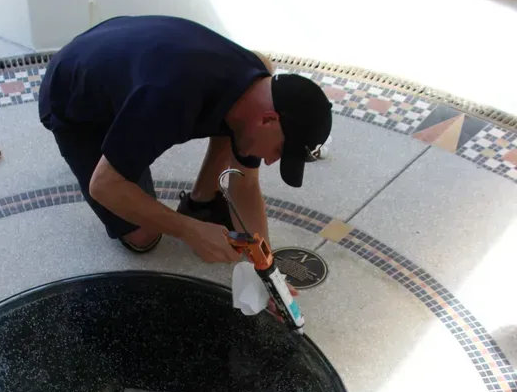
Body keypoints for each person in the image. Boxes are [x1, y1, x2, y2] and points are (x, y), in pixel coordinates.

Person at [39, 15, 332, 263]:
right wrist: (188, 230)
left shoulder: (256, 85)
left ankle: (200, 201)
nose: (270, 160)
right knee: (143, 234)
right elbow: (104, 186)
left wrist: (265, 267)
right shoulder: (170, 99)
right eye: (279, 150)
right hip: (74, 98)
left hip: (129, 60)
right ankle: (116, 148)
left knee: (238, 130)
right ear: (269, 119)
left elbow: (245, 185)